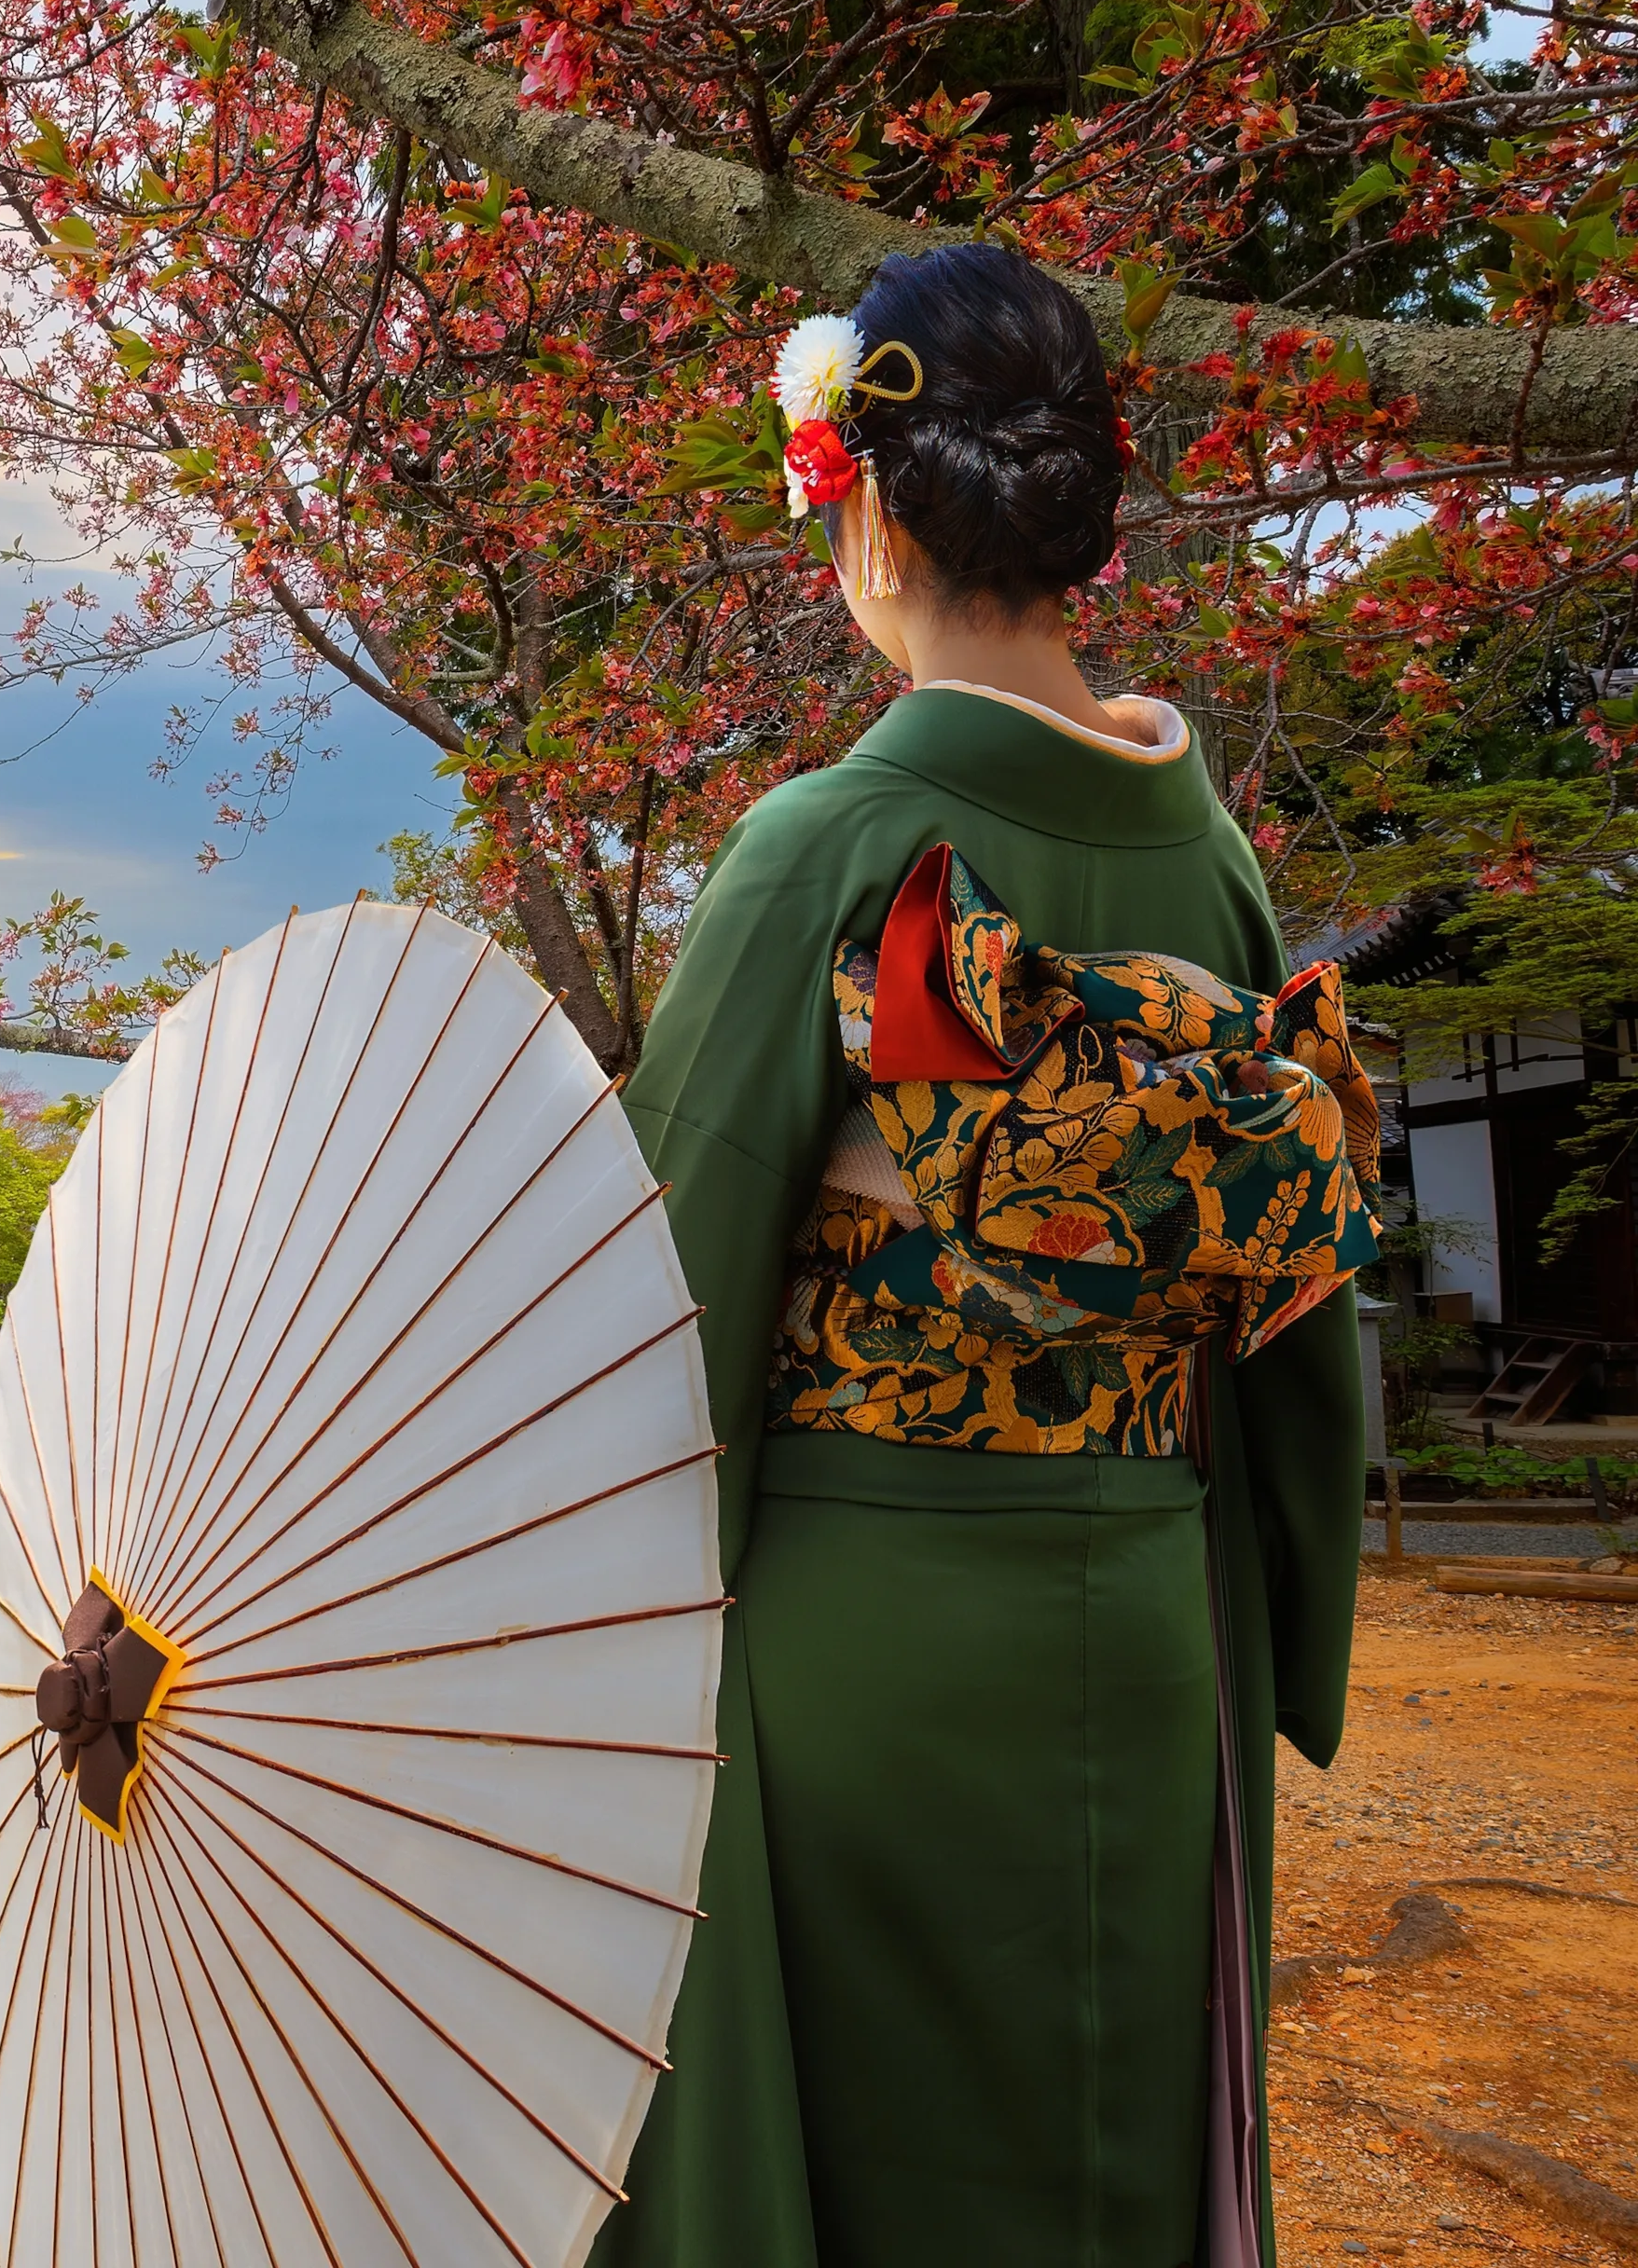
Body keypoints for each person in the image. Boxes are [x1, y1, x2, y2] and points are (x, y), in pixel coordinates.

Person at [585, 244, 1374, 2268]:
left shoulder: (823, 846)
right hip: (1151, 1601)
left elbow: (657, 1323)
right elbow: (1299, 1307)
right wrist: (1279, 1587)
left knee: (865, 2185)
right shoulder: (1207, 857)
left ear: (859, 501)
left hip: (866, 1641)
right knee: (1111, 2162)